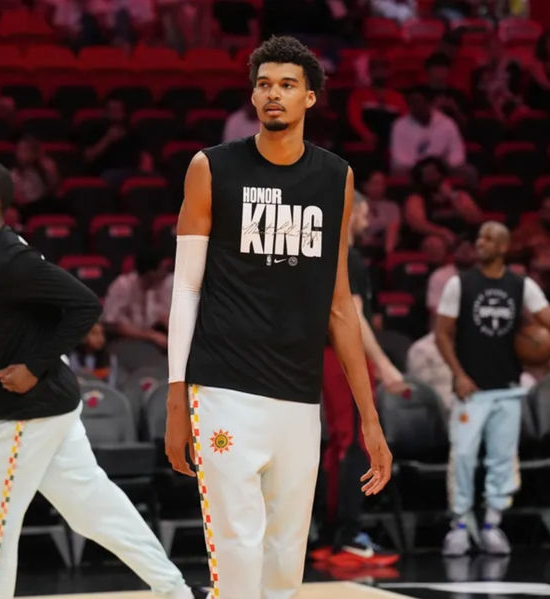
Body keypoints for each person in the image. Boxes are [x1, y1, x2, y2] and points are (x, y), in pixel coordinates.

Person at [164, 36, 392, 598]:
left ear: (310, 98)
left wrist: (369, 417)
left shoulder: (335, 177)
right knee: (237, 560)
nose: (273, 94)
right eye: (264, 84)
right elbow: (186, 289)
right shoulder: (211, 167)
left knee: (285, 565)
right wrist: (176, 396)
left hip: (297, 395)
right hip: (222, 390)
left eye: (287, 85)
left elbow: (340, 304)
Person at [0, 160, 201, 599]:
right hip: (50, 407)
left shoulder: (14, 258)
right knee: (95, 511)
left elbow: (85, 305)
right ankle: (176, 590)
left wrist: (34, 366)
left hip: (29, 412)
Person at [435, 221, 550, 556]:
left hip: (508, 388)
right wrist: (458, 374)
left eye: (489, 238)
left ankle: (492, 524)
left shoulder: (520, 285)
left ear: (504, 247)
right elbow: (441, 333)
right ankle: (460, 525)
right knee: (464, 456)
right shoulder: (460, 284)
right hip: (471, 390)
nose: (480, 242)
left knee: (502, 459)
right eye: (479, 236)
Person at [319, 192, 404, 565]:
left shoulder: (325, 256)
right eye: (365, 214)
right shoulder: (348, 257)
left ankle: (330, 534)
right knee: (354, 443)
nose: (368, 223)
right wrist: (384, 365)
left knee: (340, 444)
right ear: (348, 213)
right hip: (343, 358)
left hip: (326, 356)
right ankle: (348, 534)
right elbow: (352, 319)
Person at [404, 157, 482, 248]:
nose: (431, 176)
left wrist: (452, 197)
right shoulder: (416, 198)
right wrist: (442, 232)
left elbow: (476, 219)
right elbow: (417, 224)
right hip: (434, 238)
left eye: (433, 172)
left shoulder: (459, 195)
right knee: (435, 243)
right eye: (427, 173)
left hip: (463, 238)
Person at [102, 249, 172, 349]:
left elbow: (163, 316)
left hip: (148, 343)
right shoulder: (123, 285)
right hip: (122, 343)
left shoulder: (161, 286)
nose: (166, 274)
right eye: (163, 269)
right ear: (151, 272)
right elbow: (112, 324)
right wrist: (151, 336)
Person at [390, 85, 465, 174]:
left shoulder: (446, 123)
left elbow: (457, 153)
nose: (413, 106)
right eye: (411, 103)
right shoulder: (399, 125)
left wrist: (444, 167)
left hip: (443, 170)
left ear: (428, 103)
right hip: (412, 170)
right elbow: (399, 159)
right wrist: (422, 169)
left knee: (469, 171)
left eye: (417, 102)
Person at [11, 134, 61, 218]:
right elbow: (18, 199)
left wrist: (50, 172)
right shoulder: (14, 173)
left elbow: (54, 189)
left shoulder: (45, 168)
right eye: (21, 150)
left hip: (45, 205)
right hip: (27, 209)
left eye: (27, 150)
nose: (23, 154)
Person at [356, 169, 401, 255]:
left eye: (382, 184)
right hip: (361, 244)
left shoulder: (392, 206)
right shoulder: (356, 205)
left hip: (384, 245)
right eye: (375, 183)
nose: (379, 187)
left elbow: (394, 228)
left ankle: (388, 258)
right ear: (365, 185)